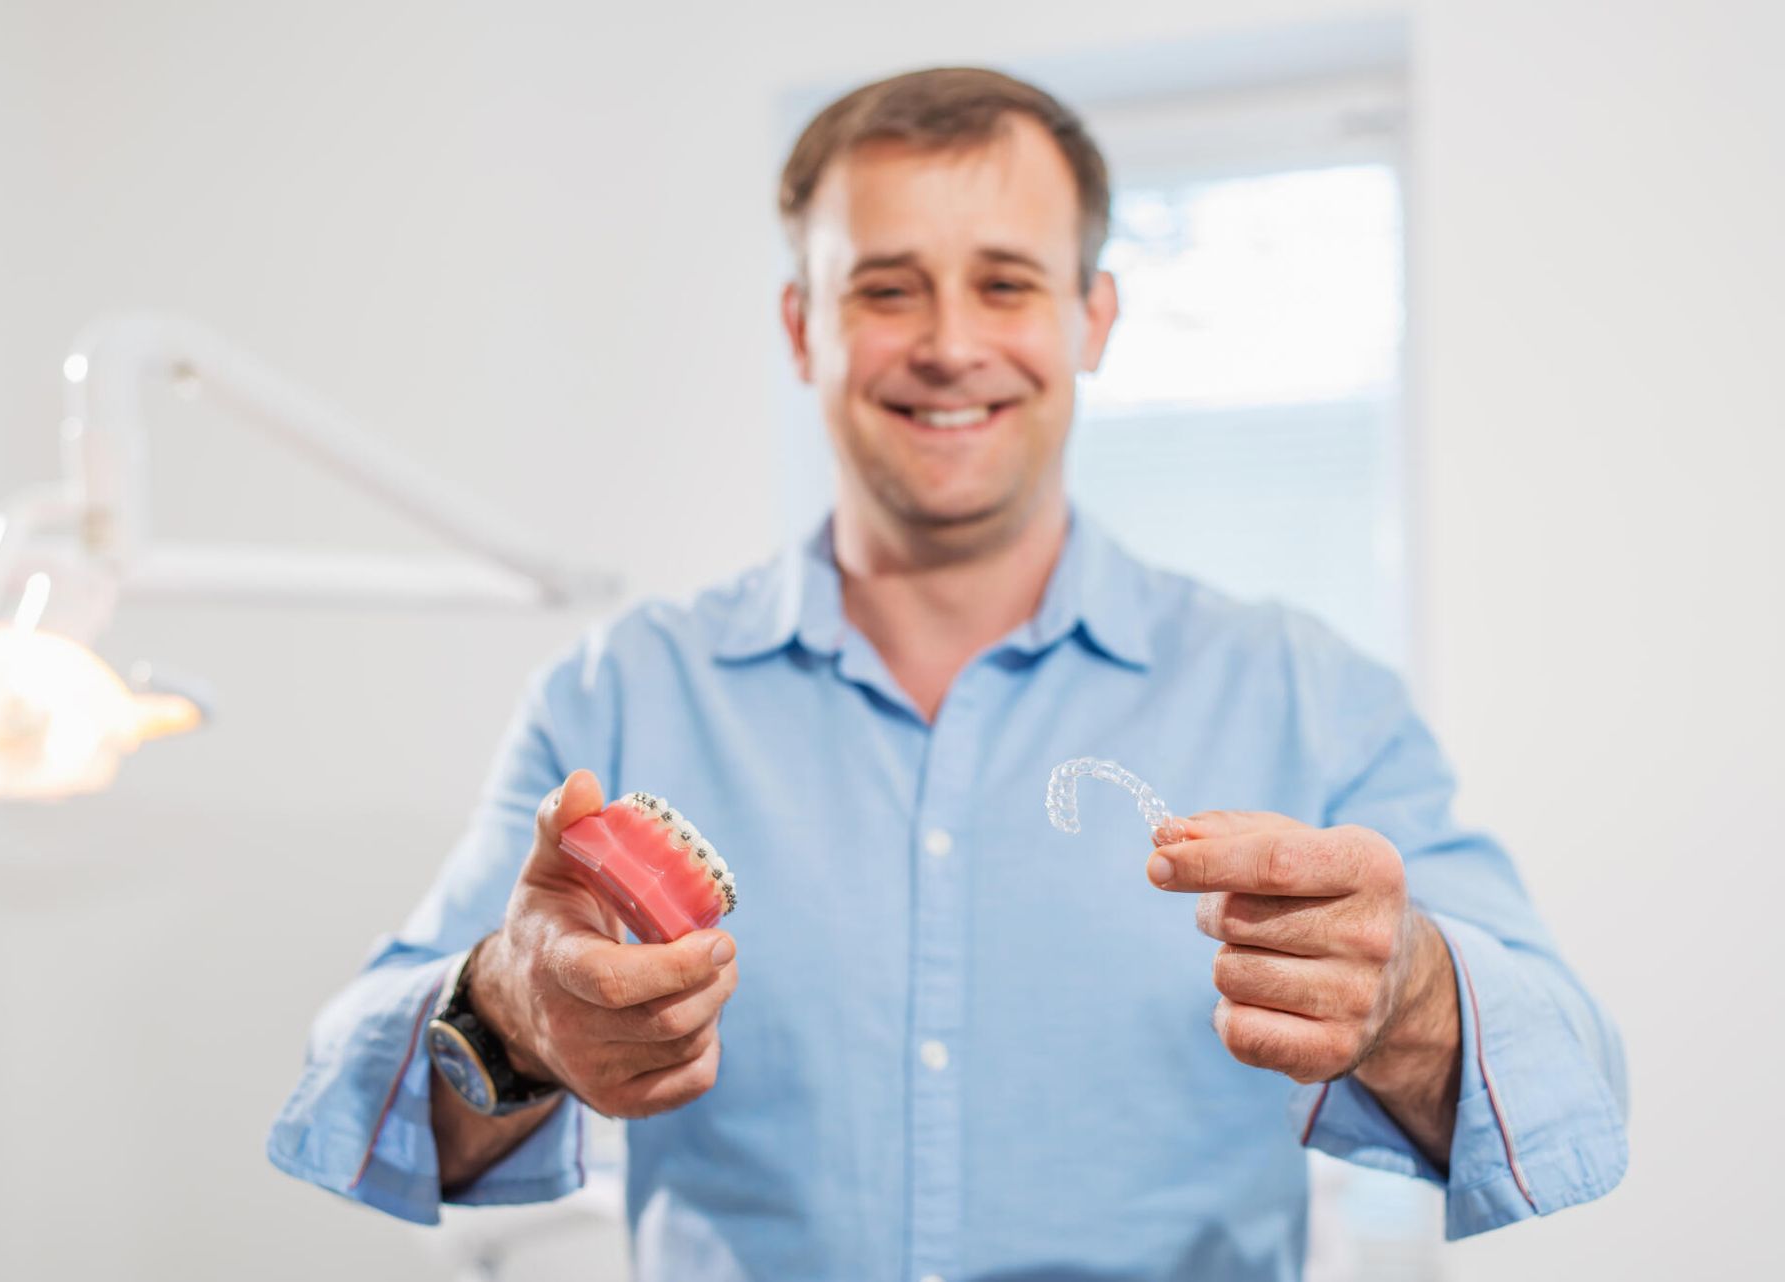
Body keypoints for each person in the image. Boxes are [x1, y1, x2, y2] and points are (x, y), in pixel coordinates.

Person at [269, 68, 1626, 1280]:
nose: (949, 342)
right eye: (885, 285)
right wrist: (513, 1009)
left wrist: (1408, 997)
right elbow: (354, 1090)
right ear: (802, 328)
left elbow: (1573, 1081)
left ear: (1093, 315)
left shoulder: (1305, 691)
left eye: (1007, 280)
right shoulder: (617, 693)